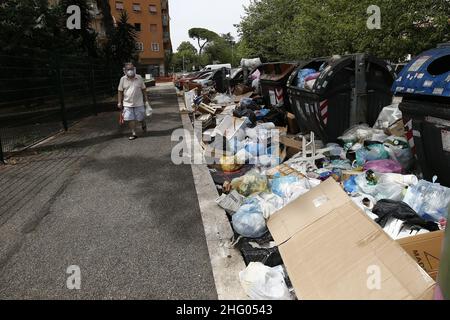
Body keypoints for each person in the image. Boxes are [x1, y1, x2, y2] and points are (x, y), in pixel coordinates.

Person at [117, 62, 149, 140]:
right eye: (128, 69)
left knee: (140, 118)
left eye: (131, 69)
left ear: (134, 69)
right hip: (127, 103)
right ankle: (134, 133)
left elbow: (144, 89)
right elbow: (120, 91)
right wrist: (119, 102)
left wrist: (146, 100)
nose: (130, 71)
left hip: (139, 103)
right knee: (130, 118)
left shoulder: (139, 77)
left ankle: (143, 123)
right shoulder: (123, 79)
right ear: (125, 70)